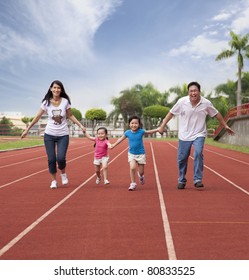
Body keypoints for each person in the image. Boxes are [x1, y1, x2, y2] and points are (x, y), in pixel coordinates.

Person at [158, 81, 235, 190]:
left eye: (195, 91)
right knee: (182, 158)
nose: (193, 93)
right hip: (184, 135)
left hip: (199, 133)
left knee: (198, 153)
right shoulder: (181, 102)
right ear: (188, 92)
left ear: (199, 92)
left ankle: (197, 179)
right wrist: (162, 126)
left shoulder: (206, 103)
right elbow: (171, 113)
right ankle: (181, 179)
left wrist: (225, 125)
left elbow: (216, 114)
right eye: (191, 91)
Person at [21, 80, 86, 189]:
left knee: (60, 158)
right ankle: (54, 181)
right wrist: (27, 129)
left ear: (61, 90)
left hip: (63, 135)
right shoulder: (46, 103)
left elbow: (70, 115)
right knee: (51, 159)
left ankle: (63, 174)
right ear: (51, 89)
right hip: (49, 135)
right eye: (54, 87)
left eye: (59, 88)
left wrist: (81, 125)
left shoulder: (65, 101)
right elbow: (37, 117)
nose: (56, 90)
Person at [110, 116, 159, 191]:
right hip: (131, 154)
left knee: (141, 172)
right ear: (129, 124)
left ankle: (141, 176)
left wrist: (158, 129)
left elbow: (150, 132)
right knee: (132, 168)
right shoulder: (127, 133)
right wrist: (113, 145)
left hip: (141, 154)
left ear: (139, 124)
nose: (134, 125)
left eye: (136, 123)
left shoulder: (141, 131)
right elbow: (120, 139)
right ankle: (133, 183)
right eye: (132, 123)